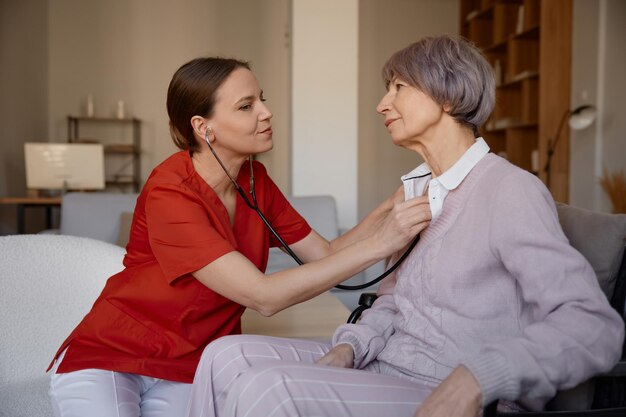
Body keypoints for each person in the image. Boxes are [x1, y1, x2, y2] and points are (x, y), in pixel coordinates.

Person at [184, 35, 625, 417]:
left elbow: (592, 326)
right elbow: (395, 302)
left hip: (448, 385)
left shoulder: (509, 191)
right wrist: (350, 346)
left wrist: (477, 378)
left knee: (267, 390)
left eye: (398, 87)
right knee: (227, 355)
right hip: (390, 362)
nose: (382, 104)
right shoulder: (421, 190)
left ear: (448, 96)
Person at [47, 57, 432, 417]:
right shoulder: (171, 191)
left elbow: (325, 253)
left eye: (261, 100)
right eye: (246, 106)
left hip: (195, 363)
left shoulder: (254, 179)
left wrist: (391, 206)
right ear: (203, 127)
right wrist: (382, 243)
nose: (266, 113)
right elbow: (262, 296)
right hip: (114, 356)